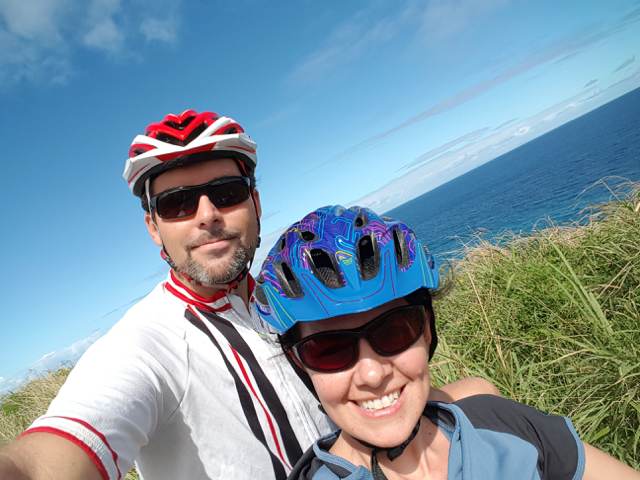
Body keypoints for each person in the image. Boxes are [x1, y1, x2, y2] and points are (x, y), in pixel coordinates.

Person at [0, 110, 498, 480]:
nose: (206, 214)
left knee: (479, 393)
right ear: (154, 228)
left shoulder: (292, 303)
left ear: (255, 203)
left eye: (226, 192)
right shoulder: (143, 347)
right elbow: (44, 459)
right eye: (176, 203)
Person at [253, 204, 640, 480]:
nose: (372, 373)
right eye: (330, 350)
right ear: (299, 363)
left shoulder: (503, 425)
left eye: (394, 330)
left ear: (427, 330)